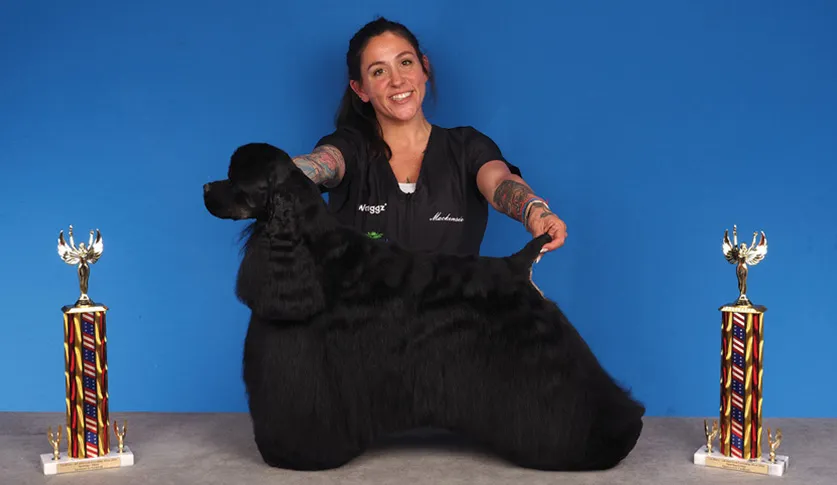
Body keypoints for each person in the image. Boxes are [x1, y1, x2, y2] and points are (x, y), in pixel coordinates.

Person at [291, 17, 567, 257]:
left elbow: (499, 182)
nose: (397, 80)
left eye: (406, 63)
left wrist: (534, 210)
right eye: (379, 71)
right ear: (360, 89)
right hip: (361, 317)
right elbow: (321, 163)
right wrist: (277, 176)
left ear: (424, 67)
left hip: (454, 315)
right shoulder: (348, 148)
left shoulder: (467, 147)